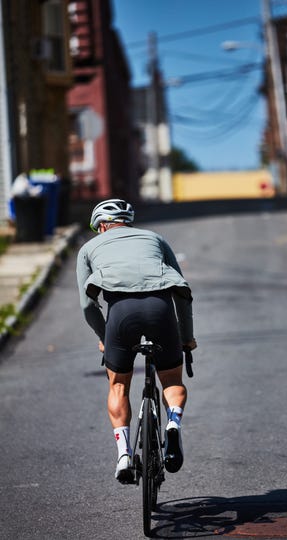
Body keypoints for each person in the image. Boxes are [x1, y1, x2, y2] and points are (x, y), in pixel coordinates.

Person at [76, 199, 197, 483]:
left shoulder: (88, 249)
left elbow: (87, 305)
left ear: (103, 225)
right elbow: (181, 291)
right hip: (161, 310)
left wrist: (104, 335)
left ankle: (124, 455)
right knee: (172, 381)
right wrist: (186, 338)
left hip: (121, 315)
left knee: (118, 384)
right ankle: (173, 425)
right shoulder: (155, 239)